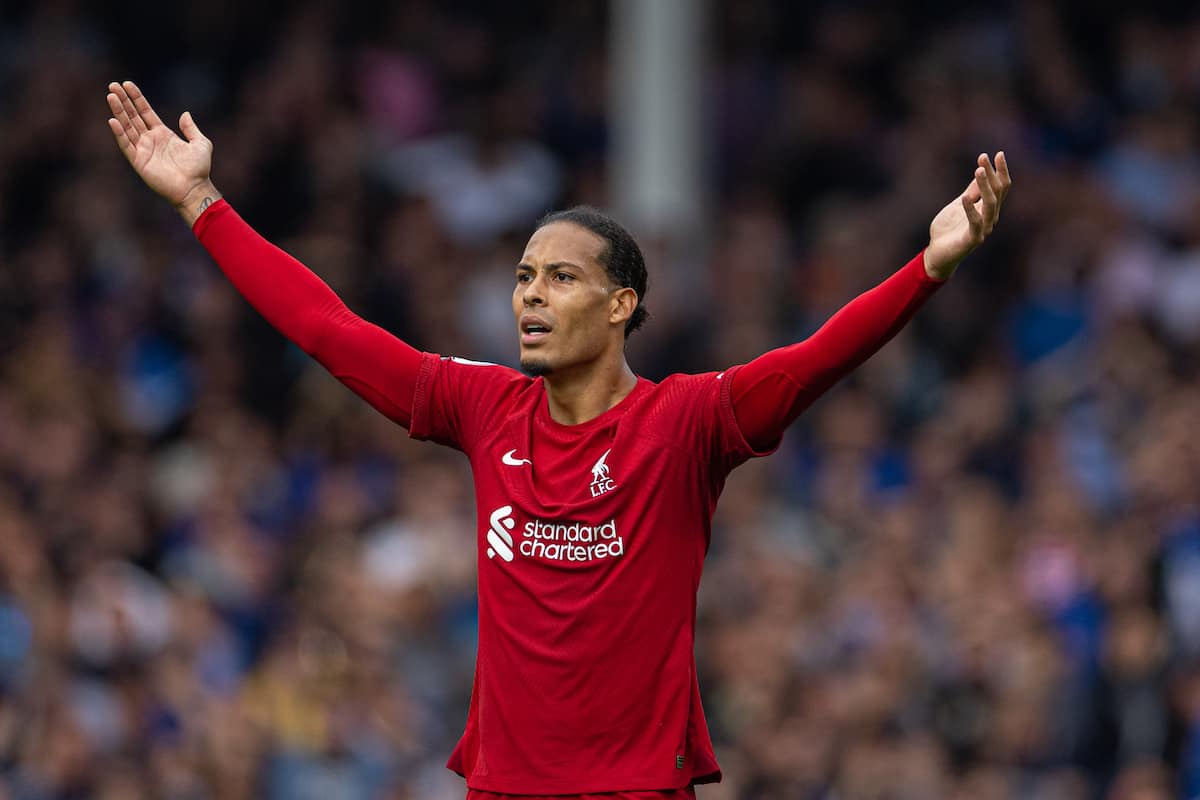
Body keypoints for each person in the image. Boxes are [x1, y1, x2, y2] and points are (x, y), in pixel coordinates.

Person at [105, 79, 1011, 799]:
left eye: (562, 278)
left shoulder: (686, 423)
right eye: (524, 276)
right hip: (501, 788)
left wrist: (928, 268)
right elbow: (328, 330)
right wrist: (201, 201)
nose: (532, 295)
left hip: (634, 791)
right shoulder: (482, 405)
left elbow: (814, 359)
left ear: (621, 306)